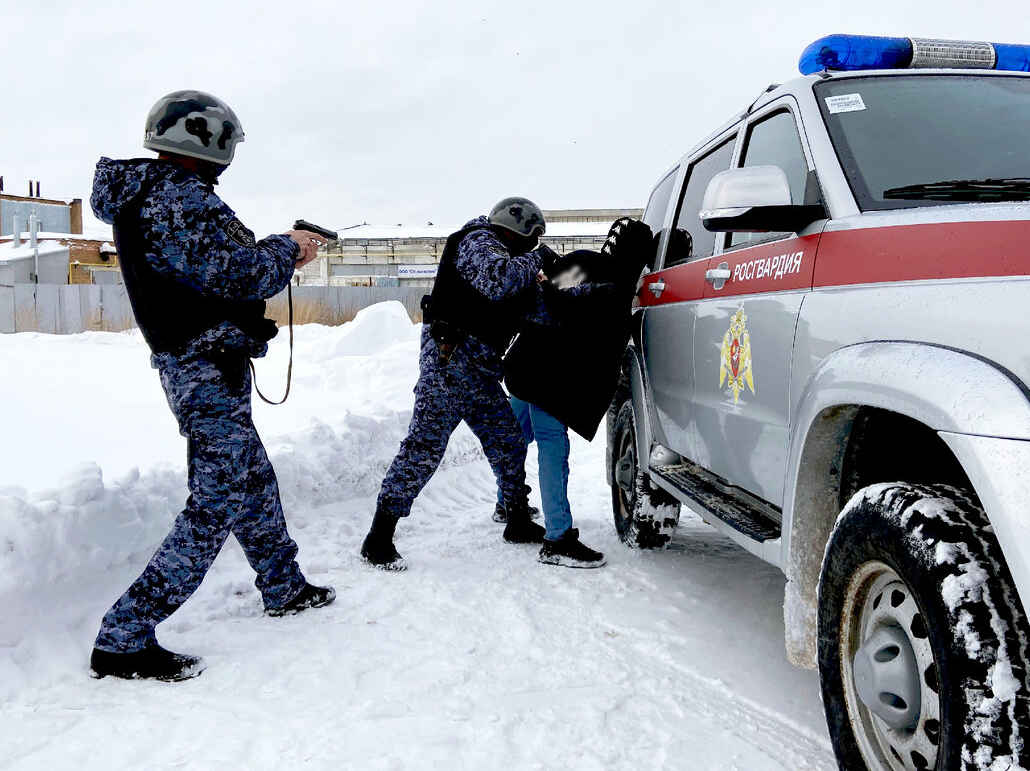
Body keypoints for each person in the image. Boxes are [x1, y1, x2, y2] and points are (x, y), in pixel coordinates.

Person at [87, 90, 334, 682]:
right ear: (207, 141)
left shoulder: (152, 194)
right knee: (216, 497)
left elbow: (212, 266)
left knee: (249, 477)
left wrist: (274, 251)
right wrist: (288, 248)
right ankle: (123, 637)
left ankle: (283, 584)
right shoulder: (175, 196)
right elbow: (237, 273)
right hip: (202, 366)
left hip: (204, 361)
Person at [361, 197, 557, 570]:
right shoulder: (476, 242)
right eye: (529, 242)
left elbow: (541, 311)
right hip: (447, 369)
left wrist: (580, 288)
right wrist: (539, 259)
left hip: (480, 375)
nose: (531, 249)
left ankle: (515, 518)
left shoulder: (517, 265)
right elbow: (497, 280)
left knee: (509, 442)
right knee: (423, 450)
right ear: (515, 232)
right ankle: (378, 537)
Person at [503, 217, 657, 568]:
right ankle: (557, 538)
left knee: (515, 437)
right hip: (549, 377)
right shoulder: (617, 286)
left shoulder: (584, 262)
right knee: (551, 449)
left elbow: (551, 292)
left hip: (530, 366)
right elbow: (557, 302)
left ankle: (509, 506)